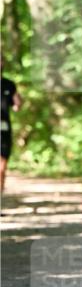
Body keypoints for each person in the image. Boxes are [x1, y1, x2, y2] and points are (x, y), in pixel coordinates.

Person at [1, 62, 22, 193]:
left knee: (1, 168)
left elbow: (16, 106)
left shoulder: (9, 85)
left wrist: (18, 103)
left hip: (3, 130)